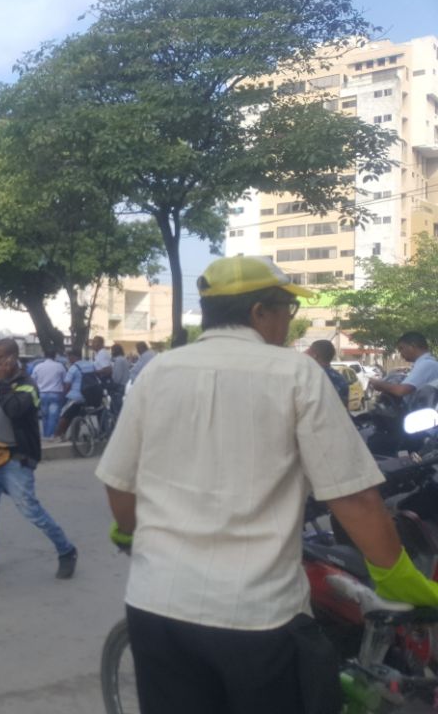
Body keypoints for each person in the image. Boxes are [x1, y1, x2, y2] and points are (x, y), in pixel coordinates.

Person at [96, 255, 438, 714]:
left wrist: (127, 531)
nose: (287, 323)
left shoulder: (160, 371)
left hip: (156, 610)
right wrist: (395, 576)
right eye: (286, 310)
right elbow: (353, 496)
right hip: (255, 619)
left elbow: (120, 485)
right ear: (259, 311)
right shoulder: (296, 374)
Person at [0, 339, 77, 579]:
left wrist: (1, 383)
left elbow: (14, 410)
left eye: (0, 358)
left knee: (31, 510)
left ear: (13, 358)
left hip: (15, 460)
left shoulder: (27, 386)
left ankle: (66, 550)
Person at [370, 332, 438, 407]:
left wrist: (377, 383)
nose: (400, 353)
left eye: (401, 348)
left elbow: (401, 391)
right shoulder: (426, 364)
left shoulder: (426, 364)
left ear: (412, 346)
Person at [54, 349, 97, 440]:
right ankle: (75, 436)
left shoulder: (74, 367)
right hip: (88, 397)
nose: (68, 359)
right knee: (77, 416)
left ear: (74, 357)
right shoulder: (90, 364)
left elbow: (67, 384)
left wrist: (64, 395)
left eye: (69, 357)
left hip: (76, 396)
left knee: (65, 415)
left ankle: (58, 435)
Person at [32, 348, 67, 438]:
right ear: (55, 356)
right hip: (55, 394)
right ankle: (49, 436)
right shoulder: (60, 366)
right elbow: (65, 381)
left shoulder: (38, 366)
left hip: (42, 394)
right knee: (53, 416)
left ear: (44, 355)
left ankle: (45, 435)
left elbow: (33, 381)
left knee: (45, 416)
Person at [306, 339, 349, 408]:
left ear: (314, 355)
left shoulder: (311, 378)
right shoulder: (340, 379)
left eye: (307, 351)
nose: (304, 353)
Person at [109, 343, 130, 416]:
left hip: (118, 386)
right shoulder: (124, 359)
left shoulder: (118, 360)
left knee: (116, 408)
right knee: (116, 405)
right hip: (123, 385)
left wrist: (113, 383)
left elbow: (117, 375)